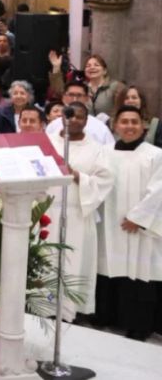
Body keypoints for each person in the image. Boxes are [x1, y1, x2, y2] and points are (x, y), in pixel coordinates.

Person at [94, 106, 162, 340]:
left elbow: (159, 190)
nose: (130, 126)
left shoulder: (155, 154)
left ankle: (139, 324)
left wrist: (138, 218)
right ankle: (106, 316)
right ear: (115, 125)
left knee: (138, 271)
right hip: (108, 225)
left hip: (139, 229)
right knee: (107, 267)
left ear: (143, 125)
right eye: (124, 122)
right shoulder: (104, 152)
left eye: (134, 122)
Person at [46, 102, 113, 321]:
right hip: (49, 213)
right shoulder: (47, 143)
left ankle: (69, 311)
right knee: (47, 261)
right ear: (61, 117)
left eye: (80, 116)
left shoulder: (96, 149)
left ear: (86, 121)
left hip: (77, 214)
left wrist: (77, 176)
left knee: (74, 262)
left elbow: (105, 180)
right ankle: (44, 307)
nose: (74, 119)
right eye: (70, 115)